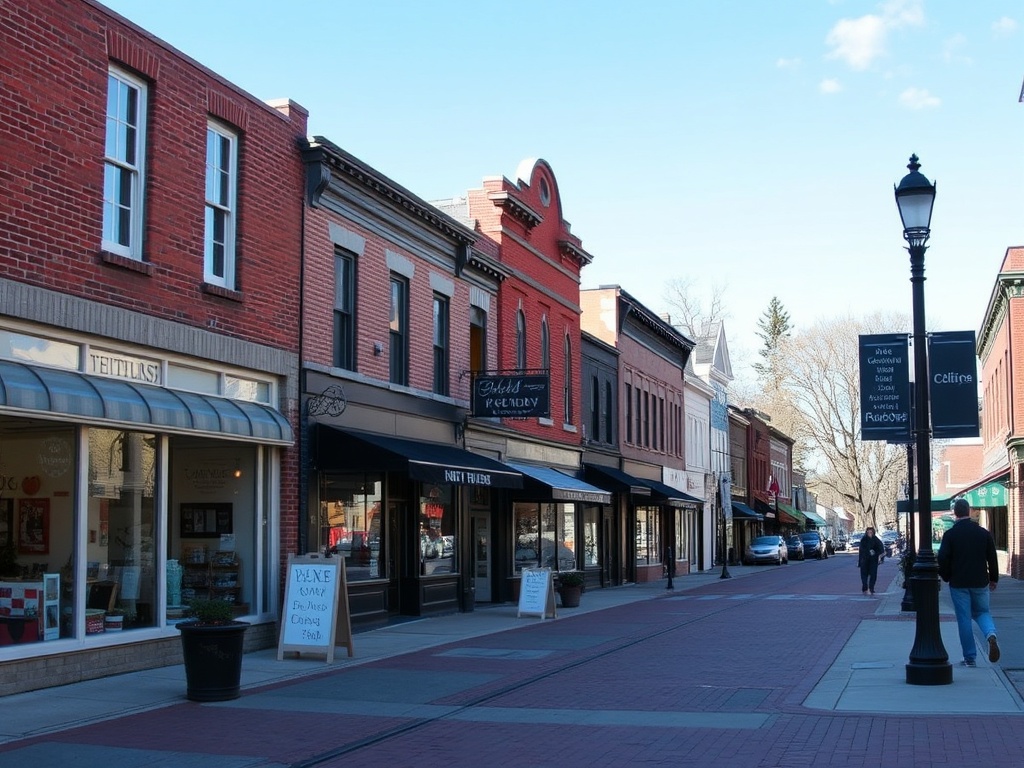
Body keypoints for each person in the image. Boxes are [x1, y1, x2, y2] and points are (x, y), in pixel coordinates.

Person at [938, 498, 1000, 668]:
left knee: (964, 619)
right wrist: (993, 578)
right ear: (969, 511)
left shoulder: (950, 535)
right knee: (982, 612)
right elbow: (992, 557)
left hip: (959, 583)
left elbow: (942, 558)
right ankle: (990, 634)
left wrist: (946, 576)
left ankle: (970, 657)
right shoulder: (983, 533)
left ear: (955, 513)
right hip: (980, 581)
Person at [858, 527, 885, 595]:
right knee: (864, 575)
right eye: (868, 532)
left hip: (873, 560)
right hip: (864, 560)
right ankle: (865, 587)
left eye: (871, 532)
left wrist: (878, 555)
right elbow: (861, 551)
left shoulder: (876, 540)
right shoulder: (863, 540)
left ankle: (871, 588)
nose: (869, 534)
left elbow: (881, 548)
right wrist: (860, 561)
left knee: (873, 574)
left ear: (873, 533)